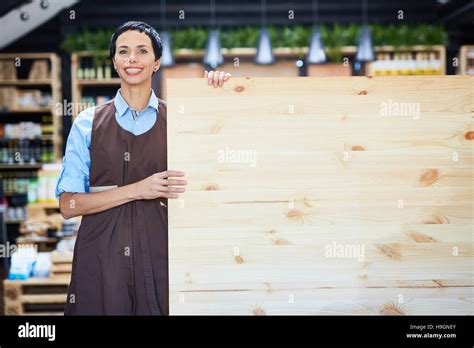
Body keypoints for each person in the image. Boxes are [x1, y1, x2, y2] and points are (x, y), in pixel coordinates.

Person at [56, 21, 231, 315]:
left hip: (163, 255)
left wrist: (221, 96)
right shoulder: (87, 124)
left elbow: (218, 167)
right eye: (123, 52)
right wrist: (139, 189)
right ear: (114, 62)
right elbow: (68, 205)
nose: (132, 59)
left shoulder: (180, 121)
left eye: (141, 51)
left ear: (156, 62)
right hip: (101, 258)